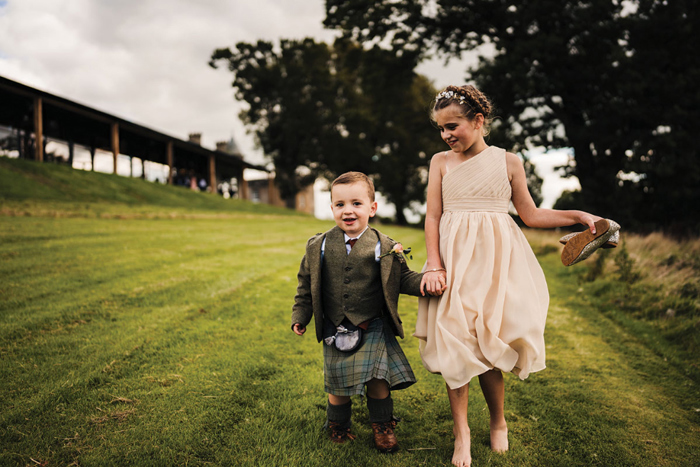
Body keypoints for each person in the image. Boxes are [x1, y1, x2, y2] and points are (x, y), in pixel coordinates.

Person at [416, 85, 618, 467]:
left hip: (494, 261)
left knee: (489, 341)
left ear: (478, 121)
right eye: (441, 128)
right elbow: (432, 216)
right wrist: (434, 263)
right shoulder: (439, 162)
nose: (446, 135)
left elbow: (530, 215)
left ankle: (498, 422)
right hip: (453, 261)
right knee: (454, 340)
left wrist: (578, 216)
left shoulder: (509, 162)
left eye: (453, 126)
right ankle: (462, 435)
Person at [291, 172, 442, 453]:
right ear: (332, 208)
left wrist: (424, 281)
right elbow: (305, 286)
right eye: (340, 204)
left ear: (372, 208)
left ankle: (383, 426)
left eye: (356, 203)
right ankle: (337, 426)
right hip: (335, 326)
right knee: (338, 384)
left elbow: (403, 278)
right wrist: (301, 316)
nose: (348, 210)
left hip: (372, 324)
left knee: (377, 379)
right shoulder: (318, 246)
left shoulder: (385, 247)